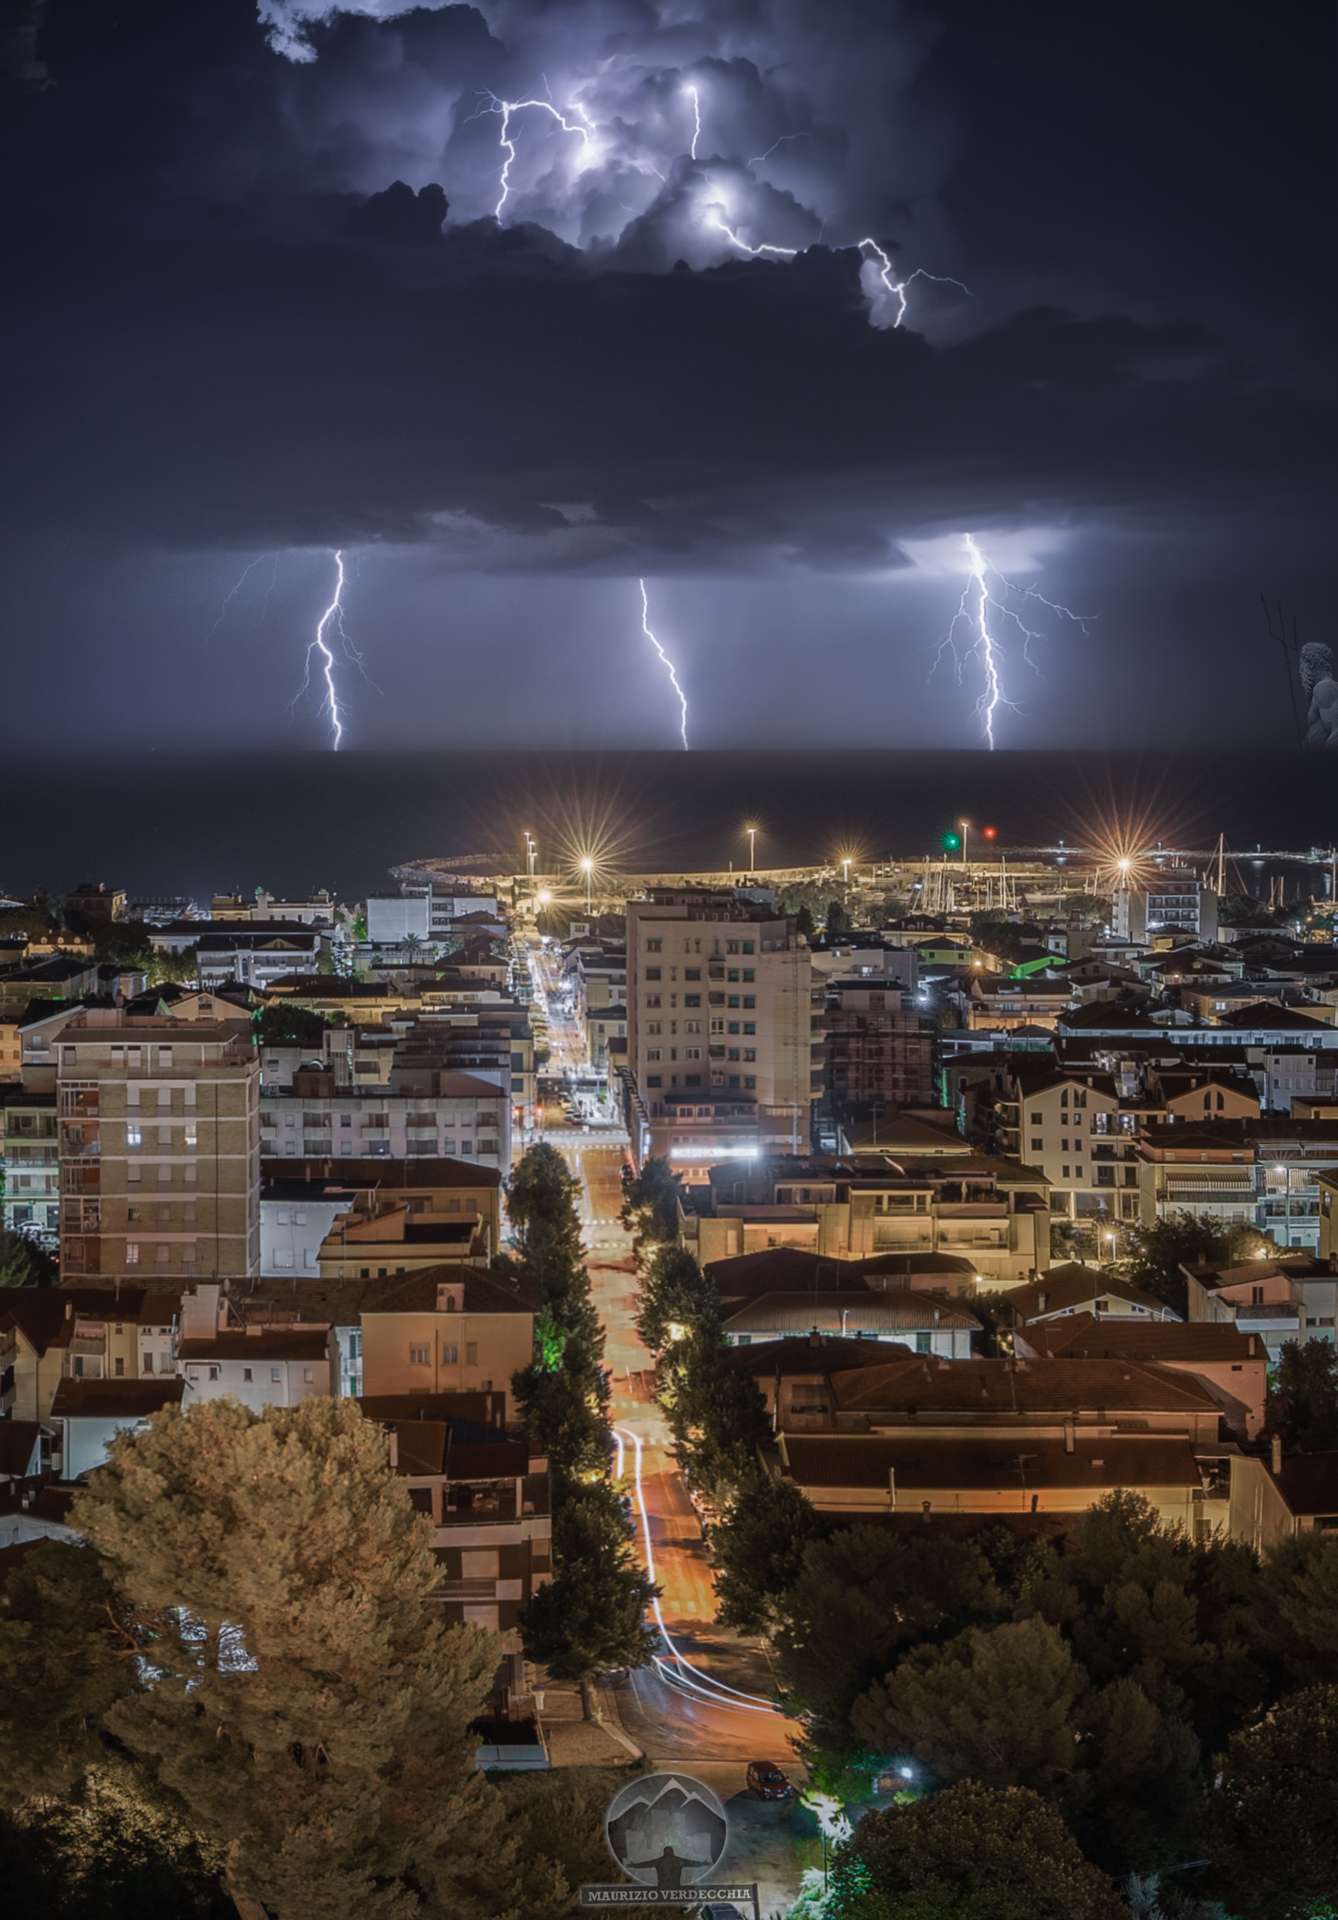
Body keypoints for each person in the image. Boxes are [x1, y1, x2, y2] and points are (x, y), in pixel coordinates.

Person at [1301, 642, 1338, 748]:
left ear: (1311, 663)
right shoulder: (1323, 690)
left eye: (1301, 665)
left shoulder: (1323, 687)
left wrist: (1325, 761)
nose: (1300, 672)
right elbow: (1318, 730)